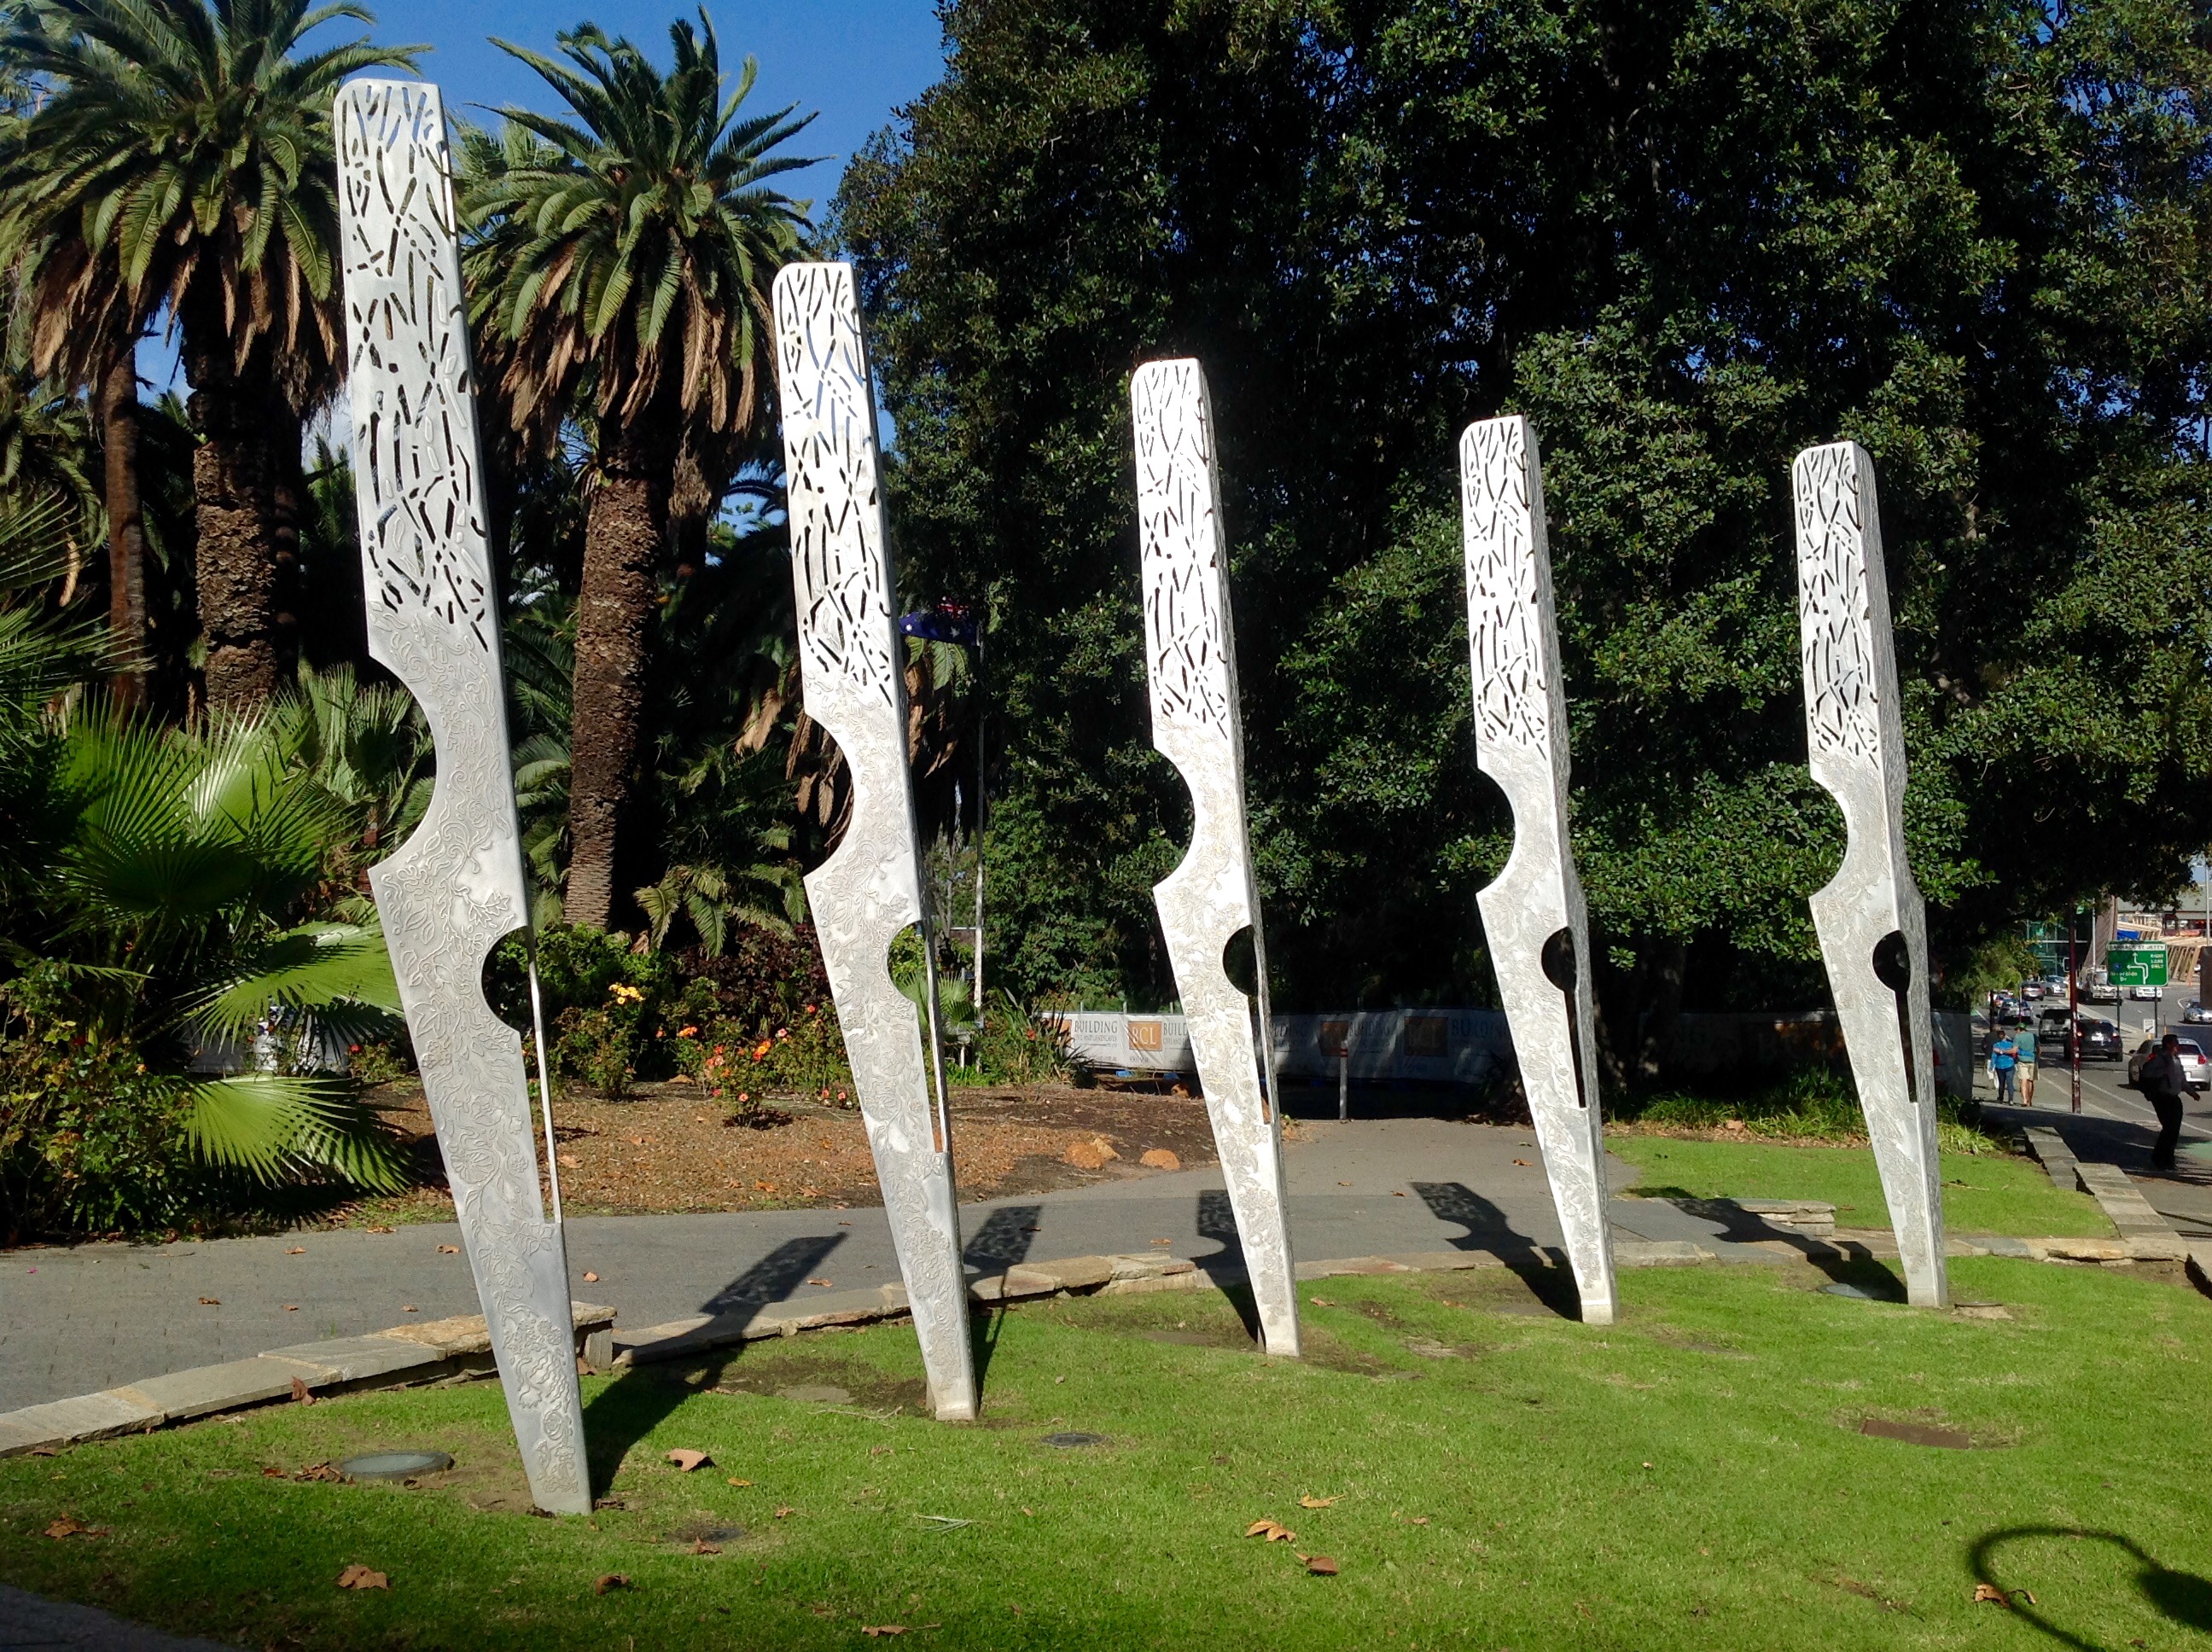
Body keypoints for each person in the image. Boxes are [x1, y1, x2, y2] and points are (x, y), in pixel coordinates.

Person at [2139, 1033, 2189, 1171]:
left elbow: (2181, 1080)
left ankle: (2167, 1158)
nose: (2177, 1046)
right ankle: (2161, 1158)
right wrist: (2163, 1071)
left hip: (2174, 1098)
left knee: (2174, 1130)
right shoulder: (2160, 1059)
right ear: (2169, 1044)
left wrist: (2192, 1092)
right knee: (2169, 1129)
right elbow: (2147, 1073)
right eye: (2175, 1043)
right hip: (2163, 1097)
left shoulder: (2176, 1060)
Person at [1990, 1028, 2019, 1106]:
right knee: (2010, 1083)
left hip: (2000, 1065)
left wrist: (1992, 1066)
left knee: (2001, 1083)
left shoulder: (1996, 1045)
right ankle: (2011, 1099)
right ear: (2005, 1036)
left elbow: (1994, 1056)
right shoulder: (2011, 1044)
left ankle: (2000, 1098)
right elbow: (2016, 1053)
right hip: (2010, 1064)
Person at [2016, 1021, 2039, 1107]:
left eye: (2016, 1030)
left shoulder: (2017, 1037)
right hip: (2032, 1061)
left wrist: (2003, 1051)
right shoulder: (2034, 1036)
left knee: (2023, 1081)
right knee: (2031, 1081)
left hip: (2022, 1061)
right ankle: (2030, 1100)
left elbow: (2014, 1050)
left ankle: (2024, 1100)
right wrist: (2036, 1058)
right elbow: (2039, 1049)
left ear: (2019, 1029)